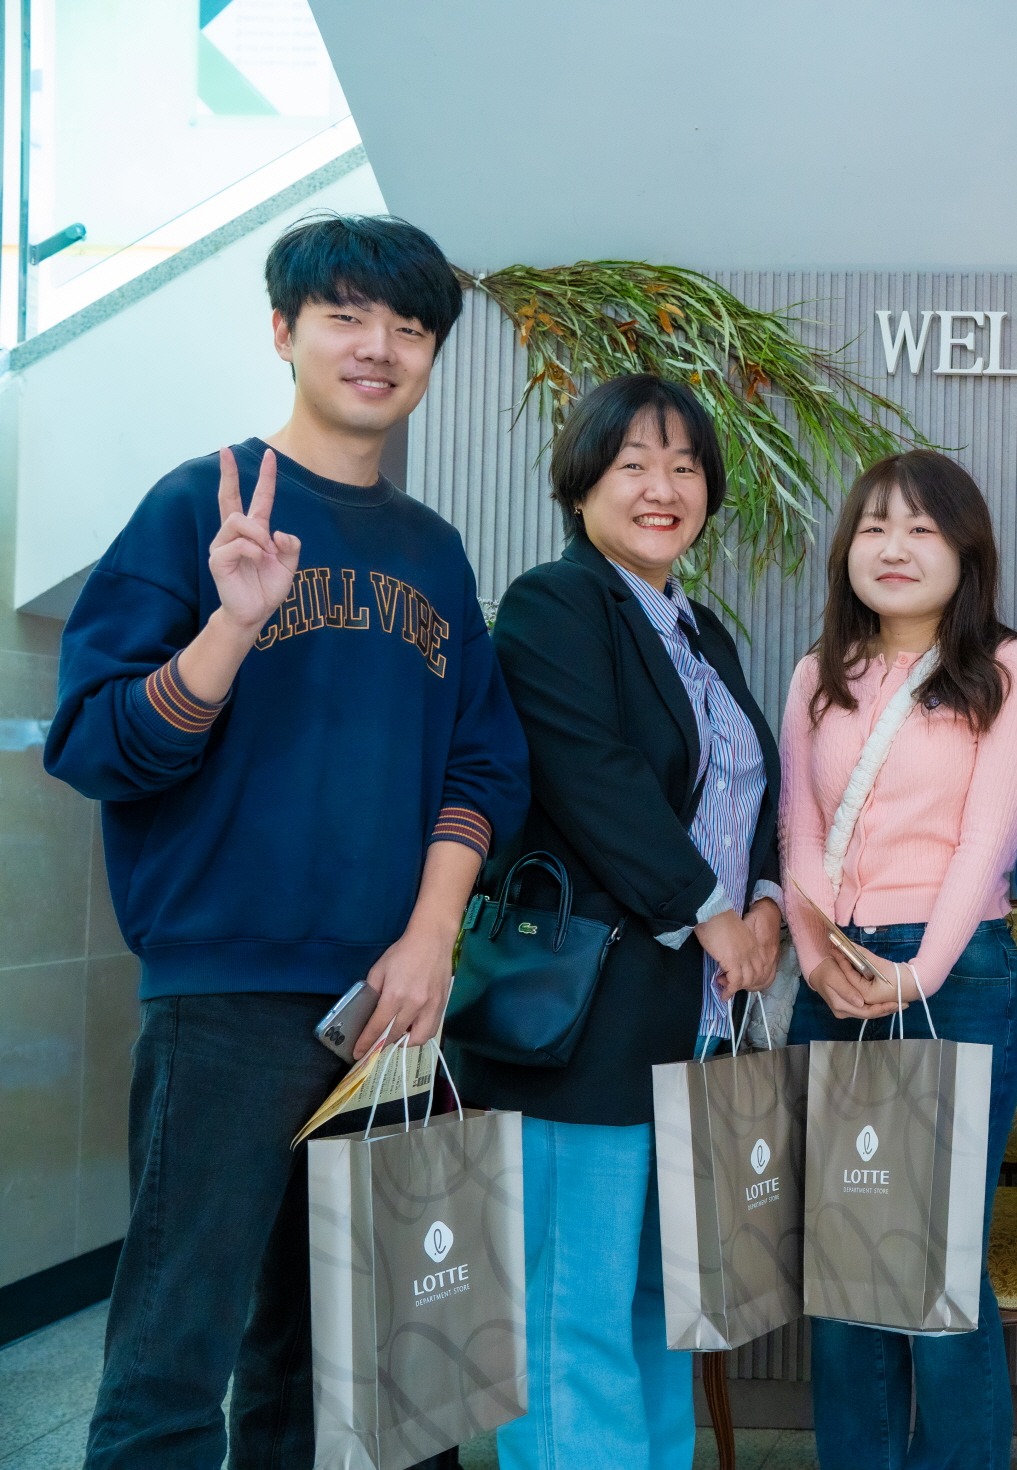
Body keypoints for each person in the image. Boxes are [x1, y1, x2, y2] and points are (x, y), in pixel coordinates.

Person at [44, 213, 529, 1470]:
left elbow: (483, 765)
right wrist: (232, 624)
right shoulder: (191, 508)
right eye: (345, 317)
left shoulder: (432, 550)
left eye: (409, 327)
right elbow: (95, 745)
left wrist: (430, 943)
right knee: (172, 1364)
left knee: (353, 1372)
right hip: (227, 1001)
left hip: (391, 1010)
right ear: (283, 331)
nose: (379, 347)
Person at [457, 374, 784, 1469]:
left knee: (656, 1306)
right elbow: (592, 776)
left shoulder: (702, 632)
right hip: (583, 1024)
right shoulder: (556, 602)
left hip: (692, 1023)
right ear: (582, 482)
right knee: (571, 1314)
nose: (663, 488)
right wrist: (711, 913)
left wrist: (767, 903)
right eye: (634, 463)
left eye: (685, 467)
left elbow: (750, 793)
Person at [780, 449, 1017, 1470]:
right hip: (834, 972)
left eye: (922, 529)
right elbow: (799, 829)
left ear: (966, 551)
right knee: (842, 1265)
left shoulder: (1007, 669)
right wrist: (816, 959)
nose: (894, 548)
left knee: (936, 1270)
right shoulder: (819, 671)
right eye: (875, 527)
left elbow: (988, 841)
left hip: (953, 973)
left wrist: (917, 975)